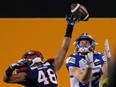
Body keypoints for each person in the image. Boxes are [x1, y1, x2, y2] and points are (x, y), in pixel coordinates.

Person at [3, 14, 82, 87]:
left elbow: (64, 48)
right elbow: (6, 79)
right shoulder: (26, 73)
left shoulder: (51, 65)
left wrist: (70, 27)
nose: (32, 57)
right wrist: (11, 68)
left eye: (33, 55)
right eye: (29, 56)